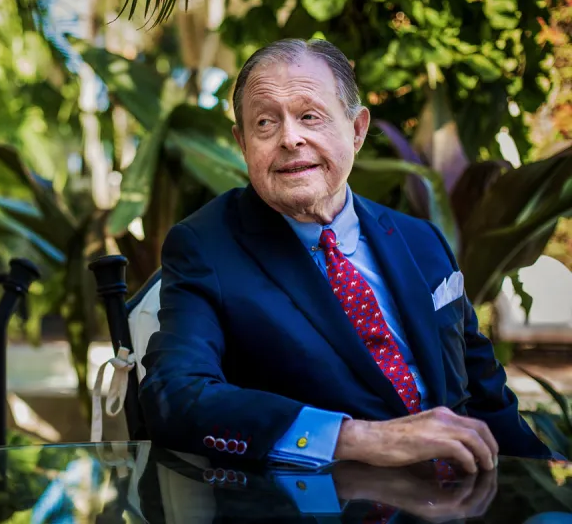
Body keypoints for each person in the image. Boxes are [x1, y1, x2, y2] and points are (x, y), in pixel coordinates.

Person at [137, 38, 554, 474]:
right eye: (265, 123)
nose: (290, 138)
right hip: (328, 503)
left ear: (357, 130)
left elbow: (486, 397)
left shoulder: (421, 239)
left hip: (464, 497)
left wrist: (545, 492)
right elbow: (174, 395)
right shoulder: (207, 245)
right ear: (243, 144)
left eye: (309, 116)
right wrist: (354, 438)